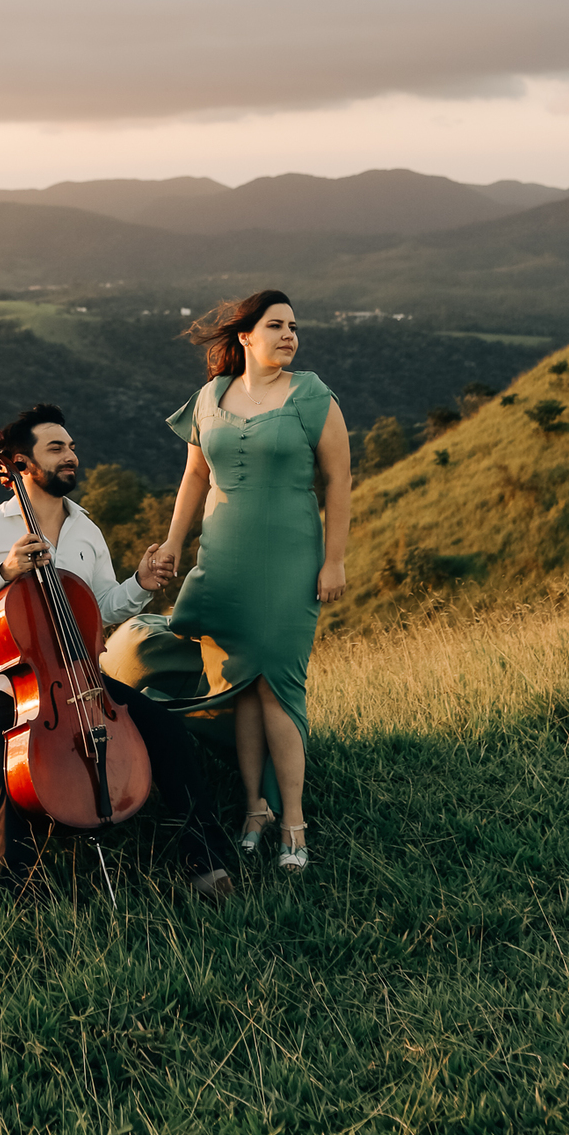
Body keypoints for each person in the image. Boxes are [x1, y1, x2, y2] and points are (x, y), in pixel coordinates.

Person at [0, 402, 234, 900]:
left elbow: (102, 608)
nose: (71, 455)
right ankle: (21, 887)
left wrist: (140, 581)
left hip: (83, 678)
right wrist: (3, 573)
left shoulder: (86, 530)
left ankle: (205, 863)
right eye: (57, 448)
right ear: (21, 463)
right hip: (8, 683)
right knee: (7, 776)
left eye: (71, 447)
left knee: (169, 733)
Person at [149, 290, 351, 873]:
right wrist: (172, 543)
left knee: (279, 684)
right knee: (240, 684)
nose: (290, 335)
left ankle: (294, 820)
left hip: (290, 558)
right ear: (245, 337)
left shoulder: (314, 396)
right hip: (224, 558)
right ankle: (253, 809)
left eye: (294, 326)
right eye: (277, 325)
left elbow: (338, 482)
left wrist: (333, 560)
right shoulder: (209, 397)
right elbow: (193, 477)